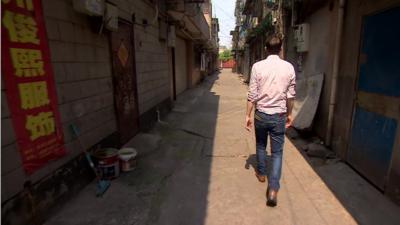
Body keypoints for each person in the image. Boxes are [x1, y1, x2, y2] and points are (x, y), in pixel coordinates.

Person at [245, 35, 296, 207]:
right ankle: (273, 188)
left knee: (260, 145)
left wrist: (247, 115)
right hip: (279, 116)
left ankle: (261, 173)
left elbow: (252, 94)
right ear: (280, 49)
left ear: (266, 49)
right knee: (276, 153)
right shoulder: (289, 67)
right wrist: (290, 114)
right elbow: (290, 96)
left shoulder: (257, 67)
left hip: (260, 114)